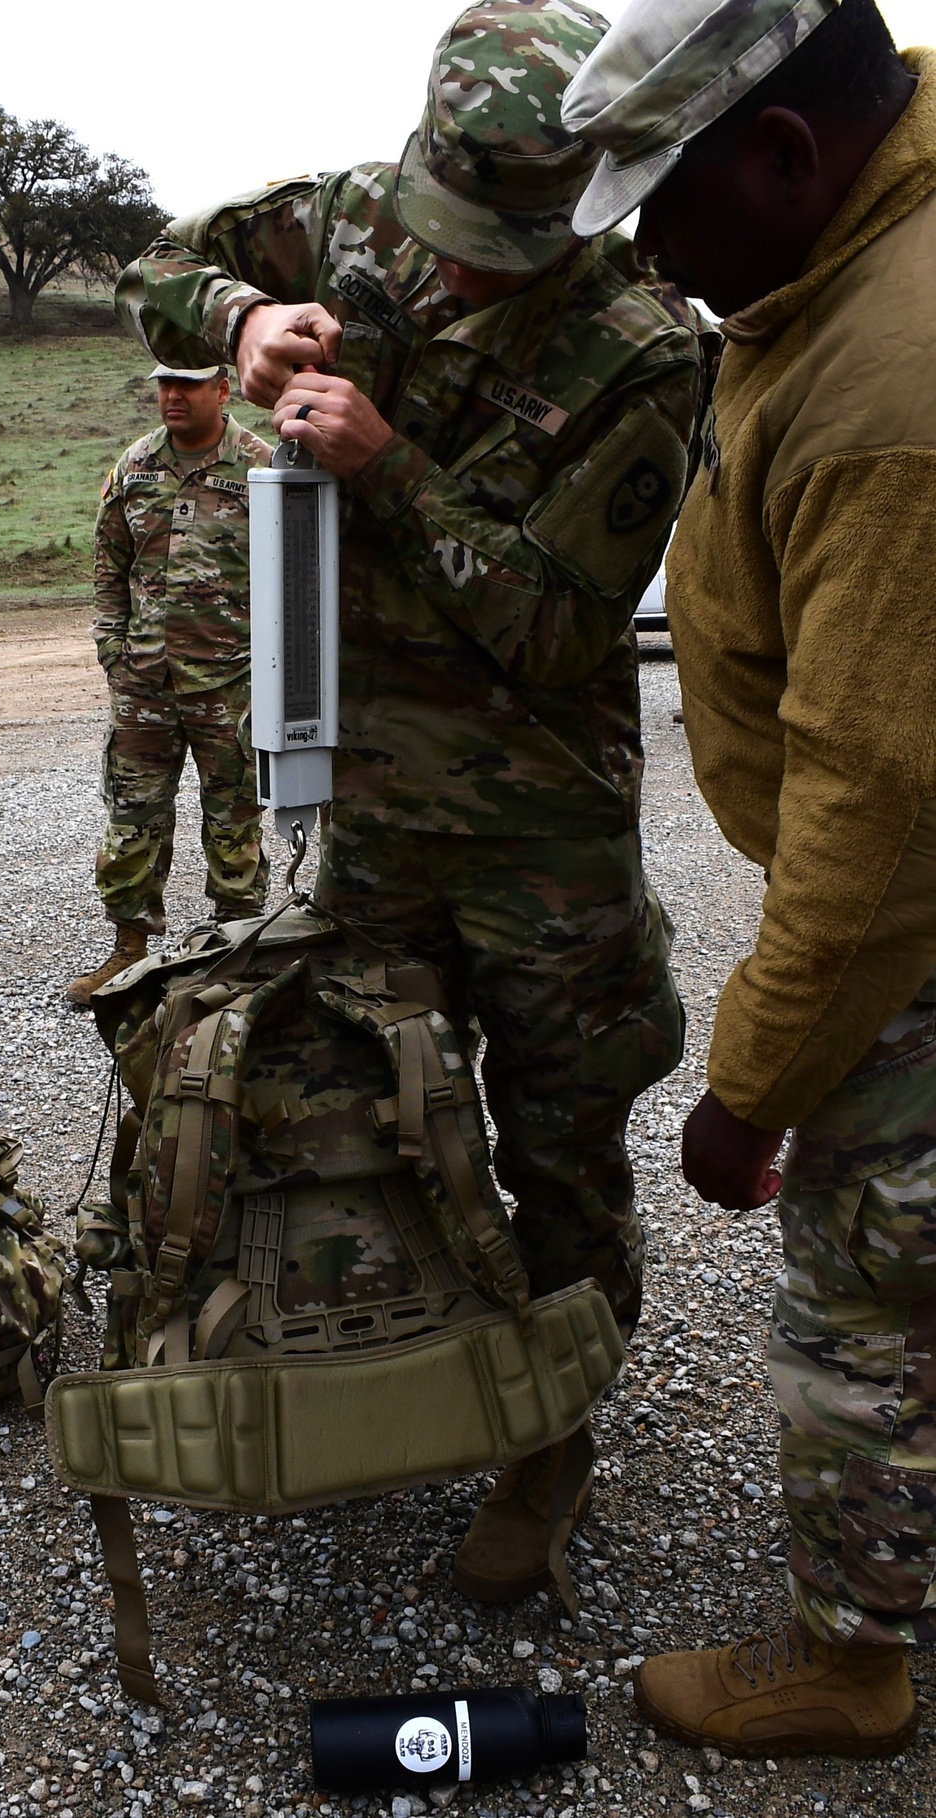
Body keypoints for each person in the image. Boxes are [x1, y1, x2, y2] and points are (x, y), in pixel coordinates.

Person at [114, 0, 708, 1606]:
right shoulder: (347, 215)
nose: (444, 279)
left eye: (489, 256)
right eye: (438, 236)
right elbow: (159, 261)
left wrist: (384, 463)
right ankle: (386, 1360)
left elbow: (558, 624)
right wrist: (239, 319)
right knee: (358, 1097)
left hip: (540, 837)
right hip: (359, 800)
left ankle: (553, 1440)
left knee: (562, 1132)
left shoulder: (644, 348)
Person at [564, 0, 936, 1759]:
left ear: (784, 156)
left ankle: (849, 1660)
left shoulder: (891, 384)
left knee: (862, 1285)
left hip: (914, 935)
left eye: (660, 196)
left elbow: (878, 825)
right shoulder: (858, 253)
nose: (644, 246)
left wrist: (752, 1085)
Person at [68, 367, 273, 1006]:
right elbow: (110, 564)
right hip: (145, 683)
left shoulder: (261, 468)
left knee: (233, 813)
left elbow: (296, 568)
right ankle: (129, 950)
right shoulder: (134, 467)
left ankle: (235, 949)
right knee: (133, 814)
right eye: (164, 386)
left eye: (188, 384)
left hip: (230, 680)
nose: (172, 397)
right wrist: (113, 651)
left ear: (224, 389)